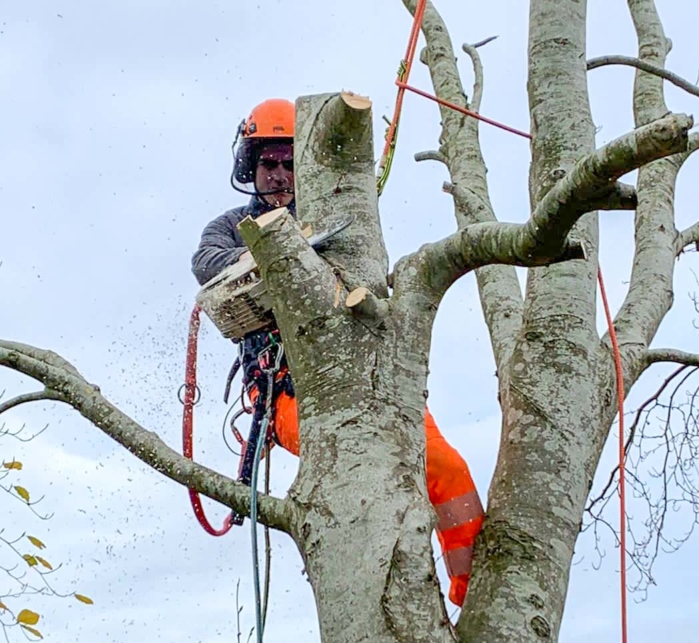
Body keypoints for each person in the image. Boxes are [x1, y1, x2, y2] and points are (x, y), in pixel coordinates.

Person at [191, 98, 484, 608]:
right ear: (250, 166)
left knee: (446, 466)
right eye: (269, 164)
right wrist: (270, 248)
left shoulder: (333, 216)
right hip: (285, 394)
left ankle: (474, 593)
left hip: (372, 373)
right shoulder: (233, 224)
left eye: (289, 162)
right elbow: (205, 261)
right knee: (365, 462)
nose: (279, 175)